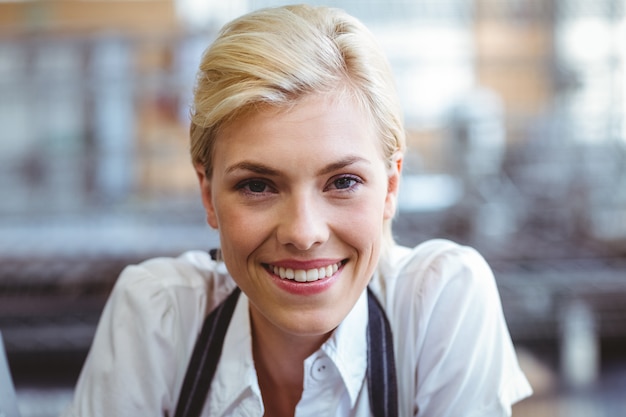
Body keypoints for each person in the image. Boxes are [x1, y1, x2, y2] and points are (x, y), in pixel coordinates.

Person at [62, 4, 532, 417]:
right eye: (258, 185)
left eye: (343, 182)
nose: (304, 233)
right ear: (208, 195)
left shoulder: (439, 304)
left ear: (390, 187)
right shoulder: (157, 316)